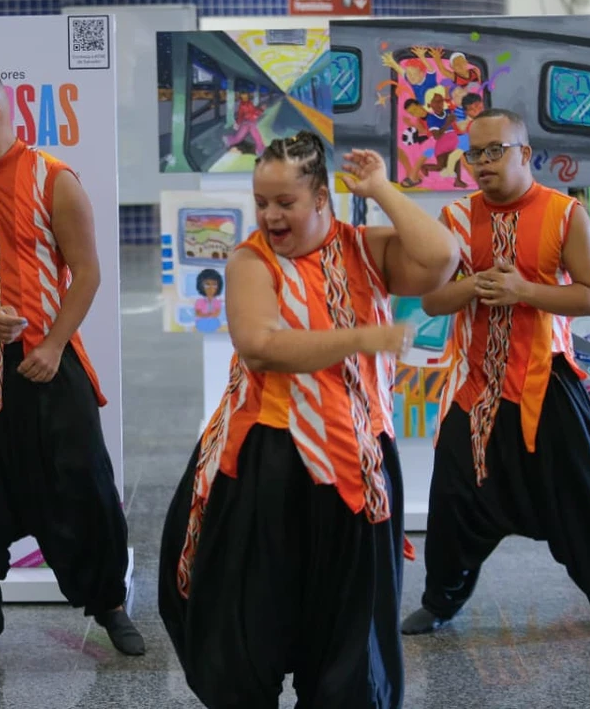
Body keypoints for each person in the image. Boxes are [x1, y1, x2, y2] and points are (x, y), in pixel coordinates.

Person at [158, 131, 460, 708]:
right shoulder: (250, 260)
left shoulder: (366, 249)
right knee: (247, 625)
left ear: (322, 199)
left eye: (285, 202)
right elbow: (261, 346)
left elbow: (441, 259)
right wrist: (362, 337)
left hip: (355, 462)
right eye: (261, 200)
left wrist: (379, 188)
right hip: (267, 461)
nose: (270, 214)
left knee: (349, 636)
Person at [0, 64, 144, 663]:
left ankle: (110, 607)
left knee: (83, 487)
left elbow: (88, 271)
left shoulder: (54, 178)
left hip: (47, 361)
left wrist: (50, 347)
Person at [401, 108, 590, 636]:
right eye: (473, 154)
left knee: (586, 504)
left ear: (524, 153)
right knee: (453, 500)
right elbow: (433, 300)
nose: (482, 164)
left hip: (546, 385)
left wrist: (522, 290)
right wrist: (479, 284)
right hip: (475, 388)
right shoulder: (455, 220)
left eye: (494, 151)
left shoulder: (564, 213)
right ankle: (440, 601)